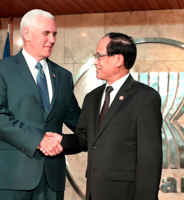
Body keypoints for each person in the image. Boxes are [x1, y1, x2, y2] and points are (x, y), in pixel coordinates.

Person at [44, 32, 163, 200]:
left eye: (99, 56)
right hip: (95, 192)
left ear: (119, 60)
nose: (95, 62)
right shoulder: (92, 98)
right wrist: (61, 141)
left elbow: (150, 158)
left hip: (126, 194)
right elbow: (85, 138)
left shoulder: (145, 97)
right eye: (95, 56)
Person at [0, 9, 81, 200]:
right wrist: (40, 139)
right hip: (9, 178)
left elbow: (78, 120)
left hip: (51, 180)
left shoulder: (63, 76)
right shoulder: (0, 70)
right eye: (46, 33)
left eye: (54, 34)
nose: (52, 40)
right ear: (27, 34)